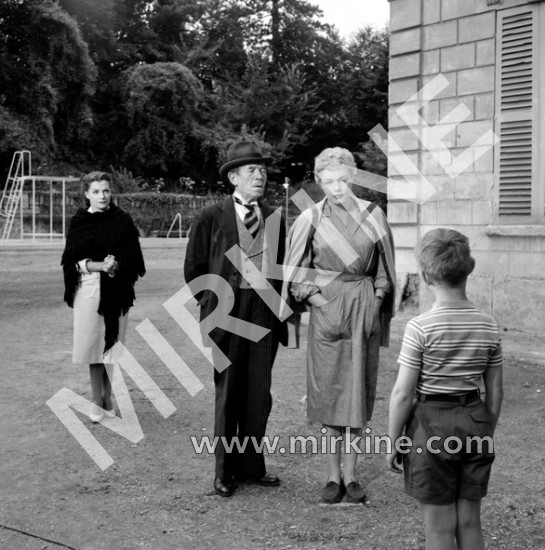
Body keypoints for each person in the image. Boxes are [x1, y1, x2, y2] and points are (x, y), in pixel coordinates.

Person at [285, 147, 396, 504]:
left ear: (354, 179)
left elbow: (385, 270)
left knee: (358, 392)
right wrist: (324, 305)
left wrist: (375, 302)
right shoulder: (310, 218)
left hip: (364, 306)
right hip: (326, 310)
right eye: (328, 181)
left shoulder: (373, 214)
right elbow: (296, 273)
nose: (336, 188)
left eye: (343, 181)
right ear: (318, 181)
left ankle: (352, 474)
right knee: (330, 392)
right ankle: (332, 476)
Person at [387, 228, 503, 550]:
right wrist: (484, 429)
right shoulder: (488, 325)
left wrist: (393, 441)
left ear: (425, 276)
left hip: (430, 424)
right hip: (475, 419)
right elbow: (495, 391)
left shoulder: (420, 327)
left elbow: (402, 394)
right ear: (471, 267)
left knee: (438, 530)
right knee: (470, 521)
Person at [184, 141, 288, 498]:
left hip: (264, 310)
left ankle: (251, 466)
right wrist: (212, 306)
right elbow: (195, 268)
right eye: (251, 171)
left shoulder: (275, 217)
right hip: (227, 312)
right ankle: (224, 471)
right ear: (233, 177)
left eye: (262, 170)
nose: (259, 176)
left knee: (259, 393)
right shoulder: (211, 216)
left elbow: (281, 270)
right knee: (229, 392)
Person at [61, 171, 145, 423]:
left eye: (106, 190)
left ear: (111, 192)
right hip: (88, 290)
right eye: (96, 191)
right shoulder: (79, 221)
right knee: (93, 345)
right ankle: (97, 399)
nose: (102, 196)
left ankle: (109, 397)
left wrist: (117, 264)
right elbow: (70, 262)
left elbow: (136, 258)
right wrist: (98, 265)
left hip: (117, 289)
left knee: (111, 346)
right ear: (86, 194)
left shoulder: (122, 220)